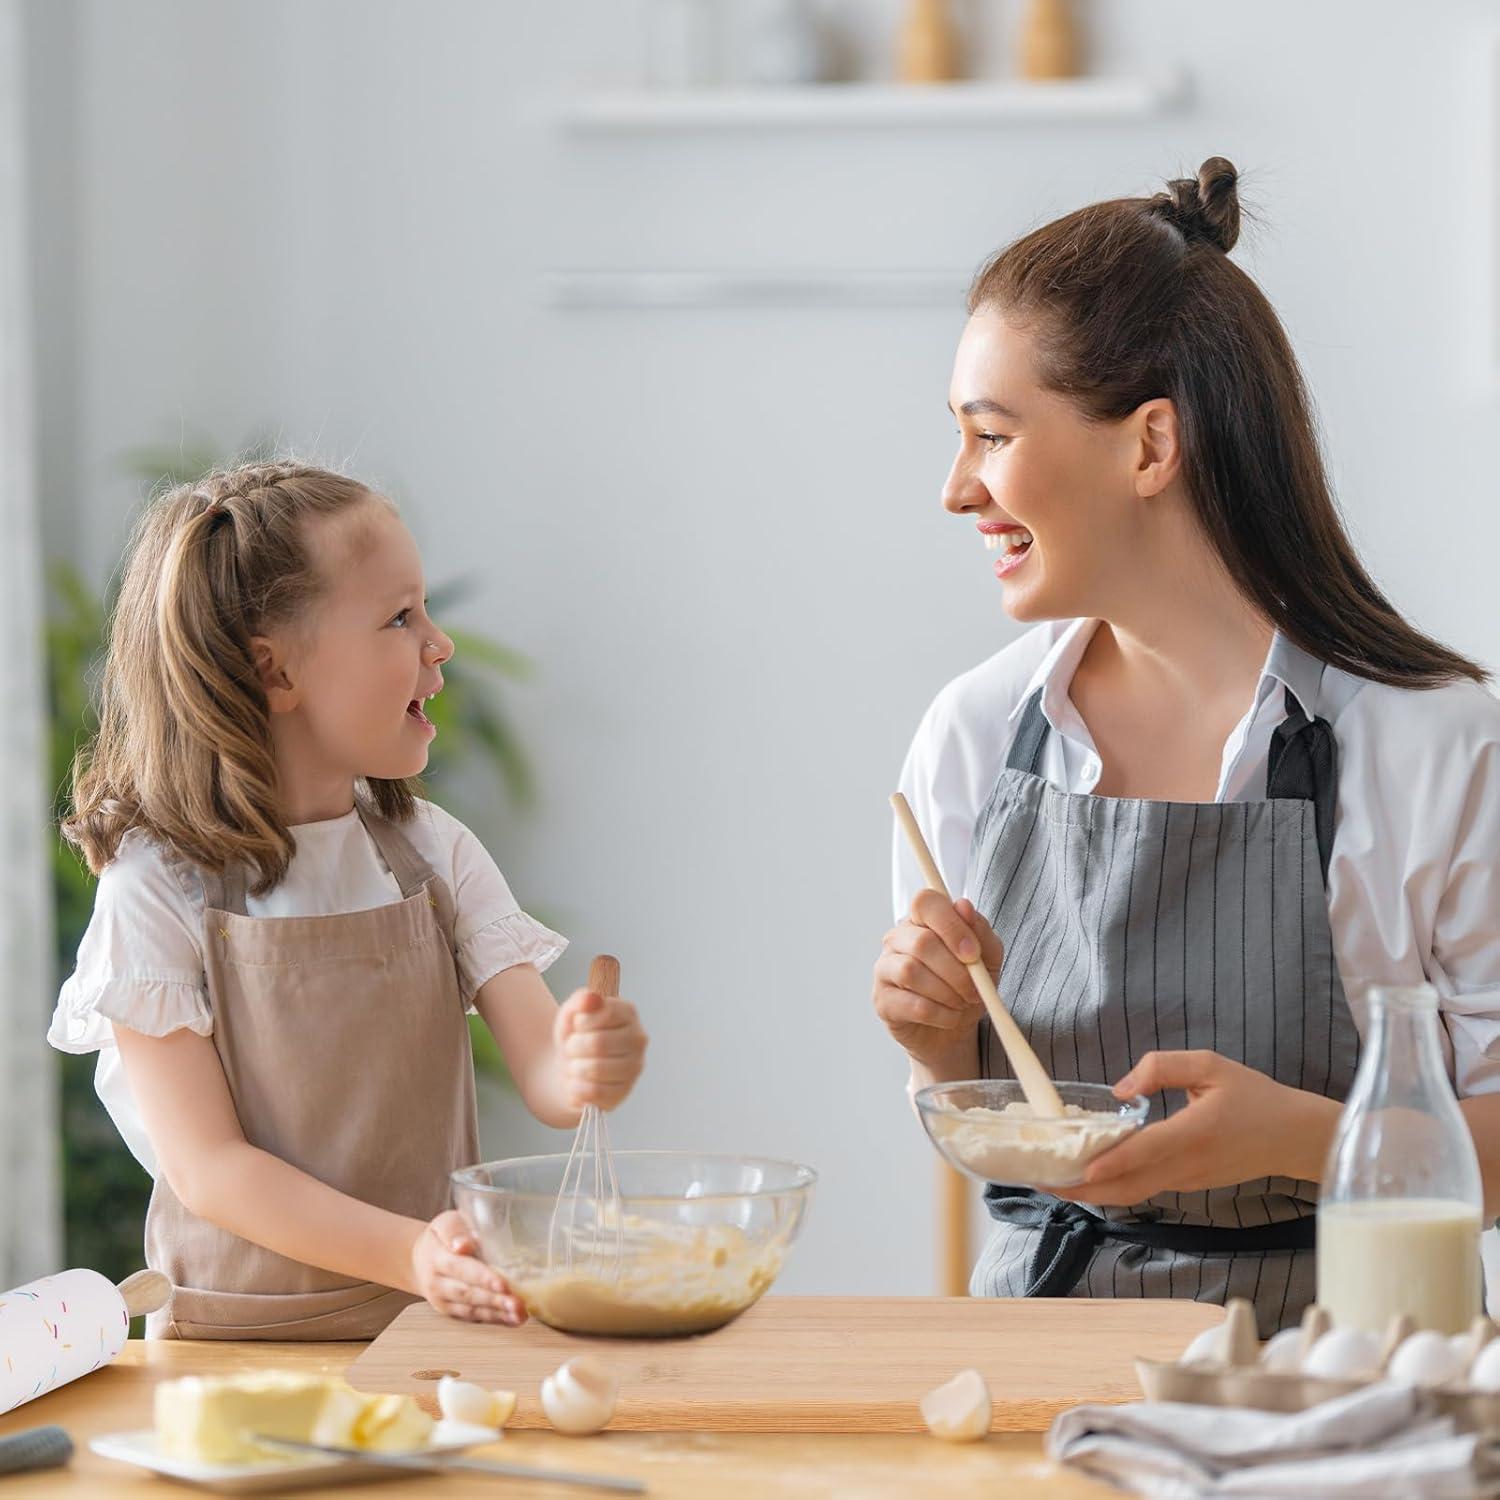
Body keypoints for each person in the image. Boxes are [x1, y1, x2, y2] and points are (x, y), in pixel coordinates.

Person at [872, 158, 1500, 1334]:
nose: (958, 489)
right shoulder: (972, 737)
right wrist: (935, 1045)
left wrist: (1307, 1139)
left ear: (1151, 445)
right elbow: (980, 1126)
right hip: (1044, 1365)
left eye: (991, 436)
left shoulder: (1436, 747)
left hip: (1356, 1371)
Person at [49, 461, 648, 1338]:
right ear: (274, 673)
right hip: (231, 1354)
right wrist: (411, 1253)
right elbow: (209, 1169)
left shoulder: (436, 854)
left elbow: (548, 1080)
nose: (440, 644)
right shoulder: (156, 888)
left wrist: (586, 1065)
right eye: (401, 618)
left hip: (427, 1336)